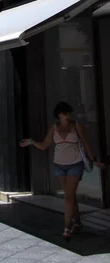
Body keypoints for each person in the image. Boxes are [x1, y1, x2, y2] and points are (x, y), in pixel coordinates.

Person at [20, 101, 105, 240]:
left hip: (75, 164)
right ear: (59, 115)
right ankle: (77, 222)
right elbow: (44, 145)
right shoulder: (53, 128)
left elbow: (85, 144)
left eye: (68, 113)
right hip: (59, 165)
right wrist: (31, 142)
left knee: (68, 196)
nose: (67, 116)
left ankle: (67, 227)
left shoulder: (76, 126)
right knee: (69, 196)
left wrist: (93, 160)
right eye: (65, 113)